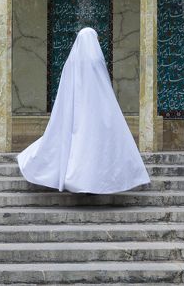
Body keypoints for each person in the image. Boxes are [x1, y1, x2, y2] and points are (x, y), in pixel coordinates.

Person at [17, 27, 151, 194]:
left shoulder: (71, 62)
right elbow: (104, 90)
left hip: (75, 112)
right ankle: (92, 182)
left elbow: (65, 93)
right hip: (95, 113)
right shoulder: (97, 60)